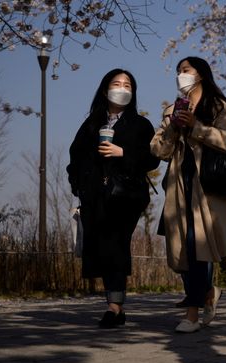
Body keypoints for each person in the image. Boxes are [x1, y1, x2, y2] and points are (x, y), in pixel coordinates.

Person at [67, 69, 160, 328]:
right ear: (105, 89)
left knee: (116, 242)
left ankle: (114, 306)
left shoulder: (141, 124)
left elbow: (152, 157)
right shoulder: (91, 124)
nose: (122, 87)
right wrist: (79, 186)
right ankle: (115, 305)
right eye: (117, 83)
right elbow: (75, 157)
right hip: (96, 197)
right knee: (104, 247)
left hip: (127, 195)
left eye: (127, 84)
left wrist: (123, 152)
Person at [150, 56, 226, 333]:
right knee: (181, 251)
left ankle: (191, 315)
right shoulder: (170, 110)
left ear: (200, 74)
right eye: (178, 71)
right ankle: (209, 293)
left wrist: (196, 127)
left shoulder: (217, 106)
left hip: (207, 187)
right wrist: (175, 126)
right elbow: (158, 151)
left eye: (185, 70)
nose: (180, 75)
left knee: (198, 246)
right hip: (179, 185)